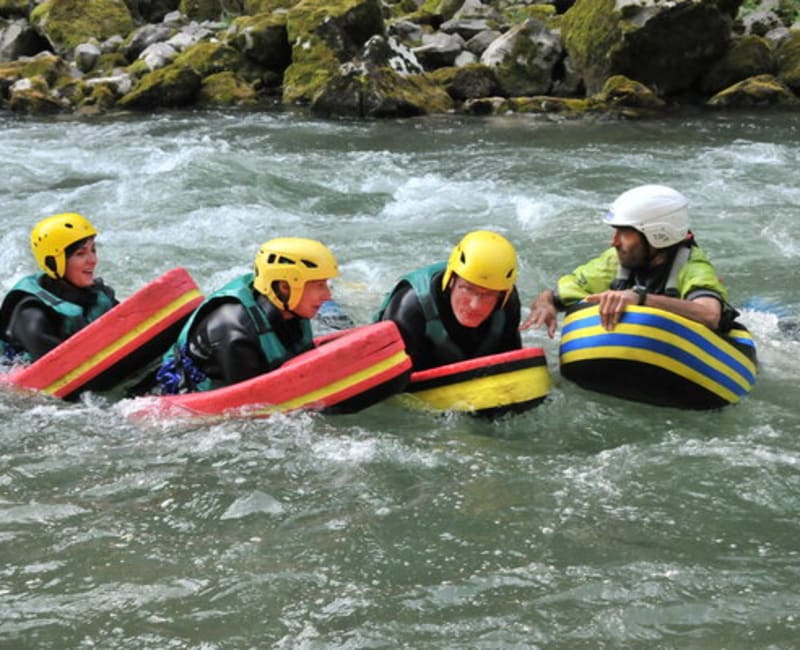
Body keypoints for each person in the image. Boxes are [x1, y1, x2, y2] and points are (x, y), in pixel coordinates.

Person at [521, 184, 739, 336]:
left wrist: (640, 299)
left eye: (623, 233)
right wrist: (545, 304)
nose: (613, 242)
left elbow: (710, 315)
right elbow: (551, 296)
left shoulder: (693, 266)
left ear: (656, 234)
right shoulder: (614, 261)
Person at [155, 237, 339, 393]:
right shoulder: (235, 330)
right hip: (179, 400)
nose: (328, 296)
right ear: (284, 285)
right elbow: (252, 408)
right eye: (319, 285)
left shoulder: (286, 306)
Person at [375, 230, 522, 371]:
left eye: (489, 294)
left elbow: (512, 363)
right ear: (451, 280)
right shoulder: (409, 308)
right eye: (467, 289)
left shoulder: (507, 299)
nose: (475, 305)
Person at [0, 212, 117, 363]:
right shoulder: (31, 314)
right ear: (53, 263)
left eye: (93, 250)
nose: (93, 260)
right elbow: (62, 365)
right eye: (81, 254)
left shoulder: (100, 294)